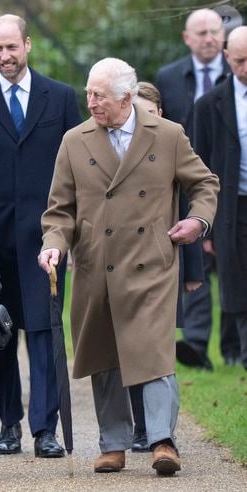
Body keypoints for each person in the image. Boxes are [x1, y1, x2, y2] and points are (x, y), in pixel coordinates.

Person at [38, 57, 219, 475]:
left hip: (152, 262)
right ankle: (113, 443)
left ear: (125, 98)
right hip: (96, 265)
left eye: (98, 95)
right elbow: (59, 210)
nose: (91, 102)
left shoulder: (168, 135)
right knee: (105, 354)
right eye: (88, 93)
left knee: (153, 349)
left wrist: (197, 220)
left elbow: (205, 183)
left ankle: (162, 440)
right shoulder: (74, 140)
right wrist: (53, 245)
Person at [0, 14, 82, 458]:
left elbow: (77, 167)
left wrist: (70, 230)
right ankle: (8, 423)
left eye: (12, 47)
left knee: (45, 329)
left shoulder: (61, 97)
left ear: (27, 44)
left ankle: (44, 427)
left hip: (48, 235)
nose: (5, 57)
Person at [156, 8, 239, 369]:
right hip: (186, 183)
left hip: (231, 182)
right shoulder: (169, 78)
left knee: (235, 264)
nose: (208, 38)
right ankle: (196, 342)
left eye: (214, 32)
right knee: (197, 263)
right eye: (200, 32)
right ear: (187, 38)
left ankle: (234, 347)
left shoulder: (238, 72)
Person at [128, 81, 204, 452]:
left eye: (149, 111)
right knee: (130, 345)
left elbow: (189, 208)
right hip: (125, 262)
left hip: (164, 257)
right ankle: (141, 428)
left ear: (160, 112)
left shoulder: (173, 141)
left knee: (157, 346)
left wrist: (193, 271)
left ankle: (161, 430)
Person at [193, 26, 247, 370]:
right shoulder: (210, 105)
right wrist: (206, 225)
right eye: (240, 61)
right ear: (227, 58)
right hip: (232, 207)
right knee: (237, 283)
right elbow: (200, 167)